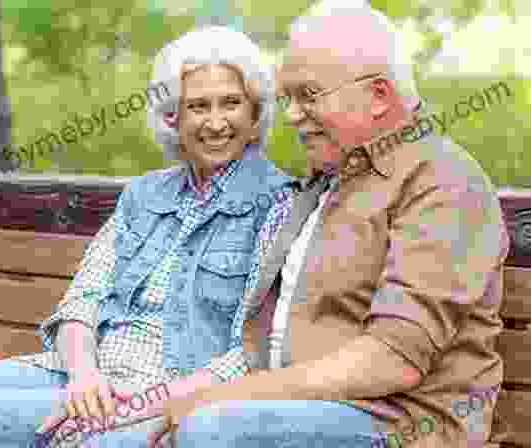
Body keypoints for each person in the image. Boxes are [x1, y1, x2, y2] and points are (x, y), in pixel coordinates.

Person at [0, 25, 294, 448]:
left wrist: (131, 407)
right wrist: (84, 376)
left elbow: (251, 355)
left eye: (232, 104)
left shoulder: (278, 205)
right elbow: (84, 299)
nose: (216, 122)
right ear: (173, 117)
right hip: (83, 372)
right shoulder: (144, 195)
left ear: (255, 115)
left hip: (167, 389)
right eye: (198, 106)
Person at [146, 4, 510, 448]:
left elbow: (393, 360)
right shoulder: (327, 181)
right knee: (106, 435)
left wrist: (224, 396)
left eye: (309, 95)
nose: (294, 115)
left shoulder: (443, 180)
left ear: (378, 96)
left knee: (210, 429)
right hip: (296, 407)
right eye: (288, 99)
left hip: (398, 423)